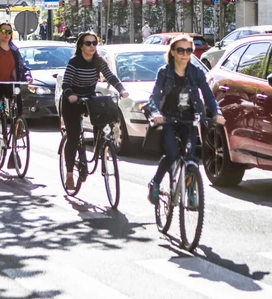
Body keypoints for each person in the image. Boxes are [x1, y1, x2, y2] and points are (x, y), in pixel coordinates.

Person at [144, 34, 225, 206]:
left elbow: (208, 95)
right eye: (180, 50)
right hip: (168, 120)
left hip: (189, 119)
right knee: (173, 154)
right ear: (172, 52)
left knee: (190, 156)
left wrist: (217, 112)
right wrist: (156, 113)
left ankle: (191, 189)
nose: (185, 54)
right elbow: (155, 97)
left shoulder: (196, 73)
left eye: (189, 50)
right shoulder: (164, 73)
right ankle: (155, 183)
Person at [59, 31, 129, 190]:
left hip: (89, 98)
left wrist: (122, 90)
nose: (92, 46)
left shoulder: (98, 61)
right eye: (88, 43)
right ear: (81, 46)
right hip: (72, 101)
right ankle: (69, 174)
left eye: (94, 43)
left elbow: (111, 76)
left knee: (103, 120)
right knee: (74, 136)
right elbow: (66, 83)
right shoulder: (74, 62)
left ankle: (101, 146)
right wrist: (70, 95)